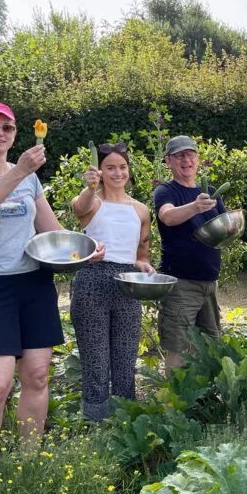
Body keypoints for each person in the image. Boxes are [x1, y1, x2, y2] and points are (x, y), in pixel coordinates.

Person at [0, 102, 104, 466]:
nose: (0, 133)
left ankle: (28, 464)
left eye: (7, 127)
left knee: (36, 376)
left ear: (15, 132)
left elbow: (48, 229)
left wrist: (87, 248)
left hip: (34, 283)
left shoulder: (30, 179)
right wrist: (18, 171)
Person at [70, 142, 154, 421]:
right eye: (110, 167)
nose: (117, 173)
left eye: (122, 167)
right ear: (100, 171)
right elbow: (77, 208)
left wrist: (144, 266)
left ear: (128, 170)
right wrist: (90, 186)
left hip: (127, 284)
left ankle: (125, 418)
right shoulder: (92, 202)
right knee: (96, 359)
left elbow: (142, 253)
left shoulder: (141, 210)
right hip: (92, 281)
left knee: (125, 358)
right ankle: (95, 420)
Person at [154, 135, 225, 370]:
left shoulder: (212, 193)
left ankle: (202, 402)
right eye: (179, 155)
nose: (186, 160)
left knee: (209, 344)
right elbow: (167, 216)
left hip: (209, 281)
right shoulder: (166, 191)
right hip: (181, 283)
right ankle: (175, 403)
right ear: (168, 161)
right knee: (179, 347)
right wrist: (195, 206)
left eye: (190, 154)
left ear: (197, 158)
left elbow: (223, 229)